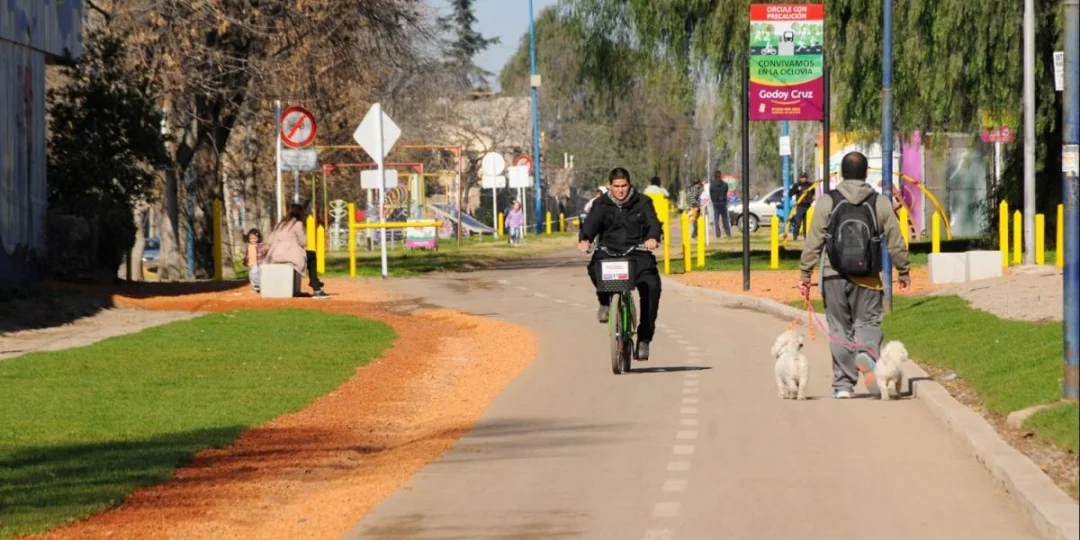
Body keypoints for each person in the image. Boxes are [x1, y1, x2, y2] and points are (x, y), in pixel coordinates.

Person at [798, 152, 911, 399]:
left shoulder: (827, 201)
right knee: (868, 322)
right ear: (865, 173)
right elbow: (895, 238)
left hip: (833, 274)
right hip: (868, 276)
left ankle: (842, 386)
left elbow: (814, 240)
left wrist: (806, 273)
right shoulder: (880, 202)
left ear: (842, 173)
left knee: (839, 328)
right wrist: (903, 269)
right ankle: (868, 355)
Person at [578, 167, 663, 360]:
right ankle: (605, 301)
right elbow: (590, 225)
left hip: (638, 253)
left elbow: (653, 223)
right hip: (608, 252)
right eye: (616, 186)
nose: (620, 190)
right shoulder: (601, 204)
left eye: (624, 185)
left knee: (652, 287)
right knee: (594, 268)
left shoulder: (643, 202)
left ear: (629, 184)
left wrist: (652, 238)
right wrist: (585, 240)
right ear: (610, 186)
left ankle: (644, 340)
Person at [789, 171, 815, 240]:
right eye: (802, 177)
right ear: (800, 178)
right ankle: (795, 236)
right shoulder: (797, 185)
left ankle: (806, 236)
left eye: (805, 177)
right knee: (798, 222)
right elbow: (790, 193)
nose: (803, 179)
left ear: (807, 178)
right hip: (800, 206)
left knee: (807, 223)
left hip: (808, 206)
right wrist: (796, 190)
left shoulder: (810, 185)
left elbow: (813, 193)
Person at [243, 228, 267, 292]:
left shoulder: (260, 245)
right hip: (251, 263)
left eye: (254, 238)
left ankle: (258, 285)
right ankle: (255, 287)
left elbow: (264, 251)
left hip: (258, 263)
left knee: (255, 274)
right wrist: (247, 262)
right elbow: (247, 255)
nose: (252, 240)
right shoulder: (249, 246)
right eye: (251, 238)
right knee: (251, 276)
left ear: (258, 238)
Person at [709, 170, 731, 237]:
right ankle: (728, 233)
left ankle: (718, 234)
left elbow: (711, 194)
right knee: (725, 219)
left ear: (714, 176)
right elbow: (726, 192)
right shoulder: (725, 184)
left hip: (716, 203)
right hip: (723, 202)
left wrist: (714, 201)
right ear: (720, 176)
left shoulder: (712, 185)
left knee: (716, 219)